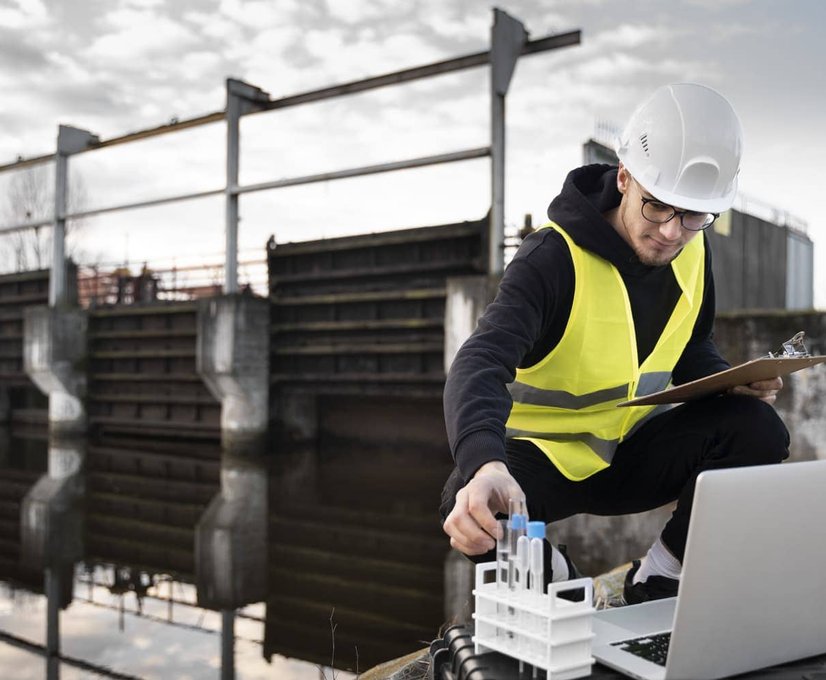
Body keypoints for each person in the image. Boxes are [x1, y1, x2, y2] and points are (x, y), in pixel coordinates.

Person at [439, 82, 790, 604]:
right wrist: (486, 463)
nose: (673, 232)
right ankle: (564, 584)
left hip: (633, 454)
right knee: (468, 502)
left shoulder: (693, 250)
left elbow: (692, 349)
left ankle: (661, 577)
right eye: (657, 207)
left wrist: (728, 386)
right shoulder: (551, 260)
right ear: (625, 178)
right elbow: (481, 361)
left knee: (757, 428)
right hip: (546, 463)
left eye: (693, 216)